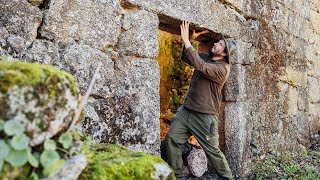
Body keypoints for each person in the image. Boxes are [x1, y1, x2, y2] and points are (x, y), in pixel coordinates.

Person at [164, 20, 233, 180]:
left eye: (220, 44)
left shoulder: (223, 69)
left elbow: (201, 66)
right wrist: (191, 40)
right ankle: (178, 175)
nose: (215, 43)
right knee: (171, 139)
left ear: (224, 53)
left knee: (213, 151)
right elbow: (188, 58)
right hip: (187, 110)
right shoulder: (207, 57)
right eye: (217, 41)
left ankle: (227, 177)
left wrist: (186, 40)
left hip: (205, 117)